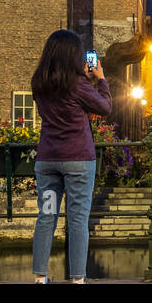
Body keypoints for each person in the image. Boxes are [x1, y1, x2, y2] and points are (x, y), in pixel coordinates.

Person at [30, 29, 111, 284]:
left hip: (48, 162)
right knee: (77, 219)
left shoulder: (39, 82)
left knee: (47, 216)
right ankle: (77, 279)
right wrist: (101, 79)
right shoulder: (78, 84)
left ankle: (40, 277)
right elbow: (105, 107)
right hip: (77, 161)